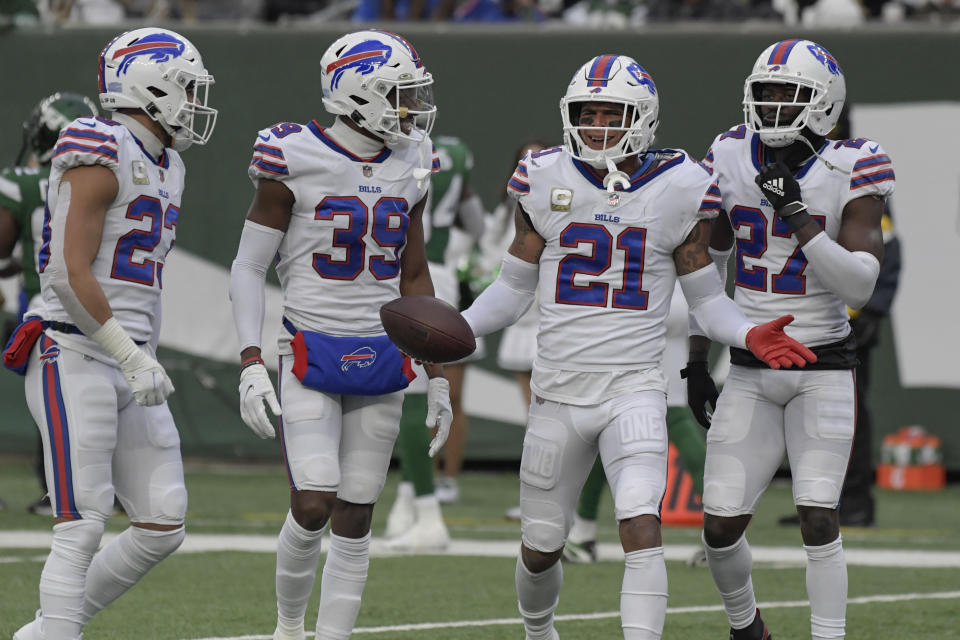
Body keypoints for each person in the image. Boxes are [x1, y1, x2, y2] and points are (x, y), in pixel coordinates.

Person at [460, 54, 815, 640]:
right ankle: (537, 631)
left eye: (611, 112)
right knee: (541, 548)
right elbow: (509, 292)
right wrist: (459, 328)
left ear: (643, 118)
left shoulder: (680, 186)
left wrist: (749, 333)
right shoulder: (543, 176)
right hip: (556, 392)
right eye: (587, 113)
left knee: (640, 523)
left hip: (635, 388)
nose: (598, 125)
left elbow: (706, 298)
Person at [228, 29, 453, 640]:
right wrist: (250, 358)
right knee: (313, 503)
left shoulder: (413, 159)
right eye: (399, 94)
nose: (411, 108)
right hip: (309, 347)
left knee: (356, 513)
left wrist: (437, 375)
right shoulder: (292, 154)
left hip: (383, 352)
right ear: (360, 93)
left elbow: (413, 270)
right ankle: (288, 627)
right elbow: (249, 265)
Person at [8, 27, 218, 640]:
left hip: (130, 358)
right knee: (83, 521)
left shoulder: (168, 161)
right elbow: (67, 274)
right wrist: (129, 355)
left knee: (163, 522)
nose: (194, 102)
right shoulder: (98, 144)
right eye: (186, 87)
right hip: (73, 349)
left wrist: (135, 357)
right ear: (146, 84)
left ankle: (47, 630)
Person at [687, 39, 893, 640]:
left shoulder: (854, 163)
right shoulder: (728, 152)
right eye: (767, 93)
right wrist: (698, 359)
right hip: (750, 366)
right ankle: (746, 628)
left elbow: (859, 281)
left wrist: (800, 217)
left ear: (824, 104)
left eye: (790, 94)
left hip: (823, 365)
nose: (775, 107)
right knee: (720, 526)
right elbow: (709, 267)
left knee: (817, 515)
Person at [777, 105, 902, 529]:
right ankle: (816, 501)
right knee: (801, 413)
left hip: (847, 315)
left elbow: (885, 248)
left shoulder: (852, 170)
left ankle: (853, 502)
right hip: (805, 314)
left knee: (848, 413)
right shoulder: (777, 167)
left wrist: (874, 309)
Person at [0, 91, 100, 516]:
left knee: (53, 397)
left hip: (44, 309)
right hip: (103, 307)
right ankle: (90, 490)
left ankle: (58, 492)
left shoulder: (20, 183)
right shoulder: (109, 179)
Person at [384, 133, 485, 551]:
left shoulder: (392, 151)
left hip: (405, 273)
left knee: (410, 397)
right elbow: (477, 223)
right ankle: (409, 499)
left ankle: (427, 513)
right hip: (435, 272)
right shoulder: (454, 154)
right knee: (419, 394)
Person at [564, 281, 707, 565]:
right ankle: (582, 532)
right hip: (631, 365)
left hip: (659, 365)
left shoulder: (673, 261)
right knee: (607, 446)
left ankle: (719, 538)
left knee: (690, 451)